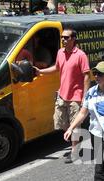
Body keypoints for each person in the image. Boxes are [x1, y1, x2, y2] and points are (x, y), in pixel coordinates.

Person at [35, 29, 90, 163]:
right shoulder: (60, 52)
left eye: (66, 38)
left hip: (76, 96)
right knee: (61, 123)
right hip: (62, 95)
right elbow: (57, 68)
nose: (63, 40)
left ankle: (74, 151)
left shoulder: (81, 55)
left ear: (73, 39)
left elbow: (87, 76)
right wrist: (40, 71)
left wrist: (85, 96)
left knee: (74, 125)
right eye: (62, 38)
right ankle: (75, 141)